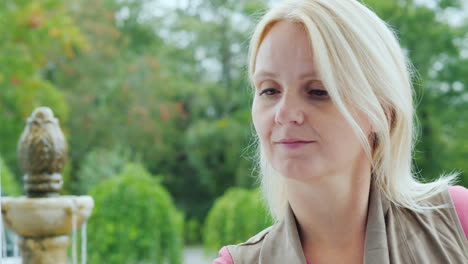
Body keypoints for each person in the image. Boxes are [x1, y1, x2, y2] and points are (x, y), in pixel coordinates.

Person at [212, 0, 468, 263]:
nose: (284, 113)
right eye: (269, 90)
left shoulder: (457, 222)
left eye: (318, 91)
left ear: (381, 111)